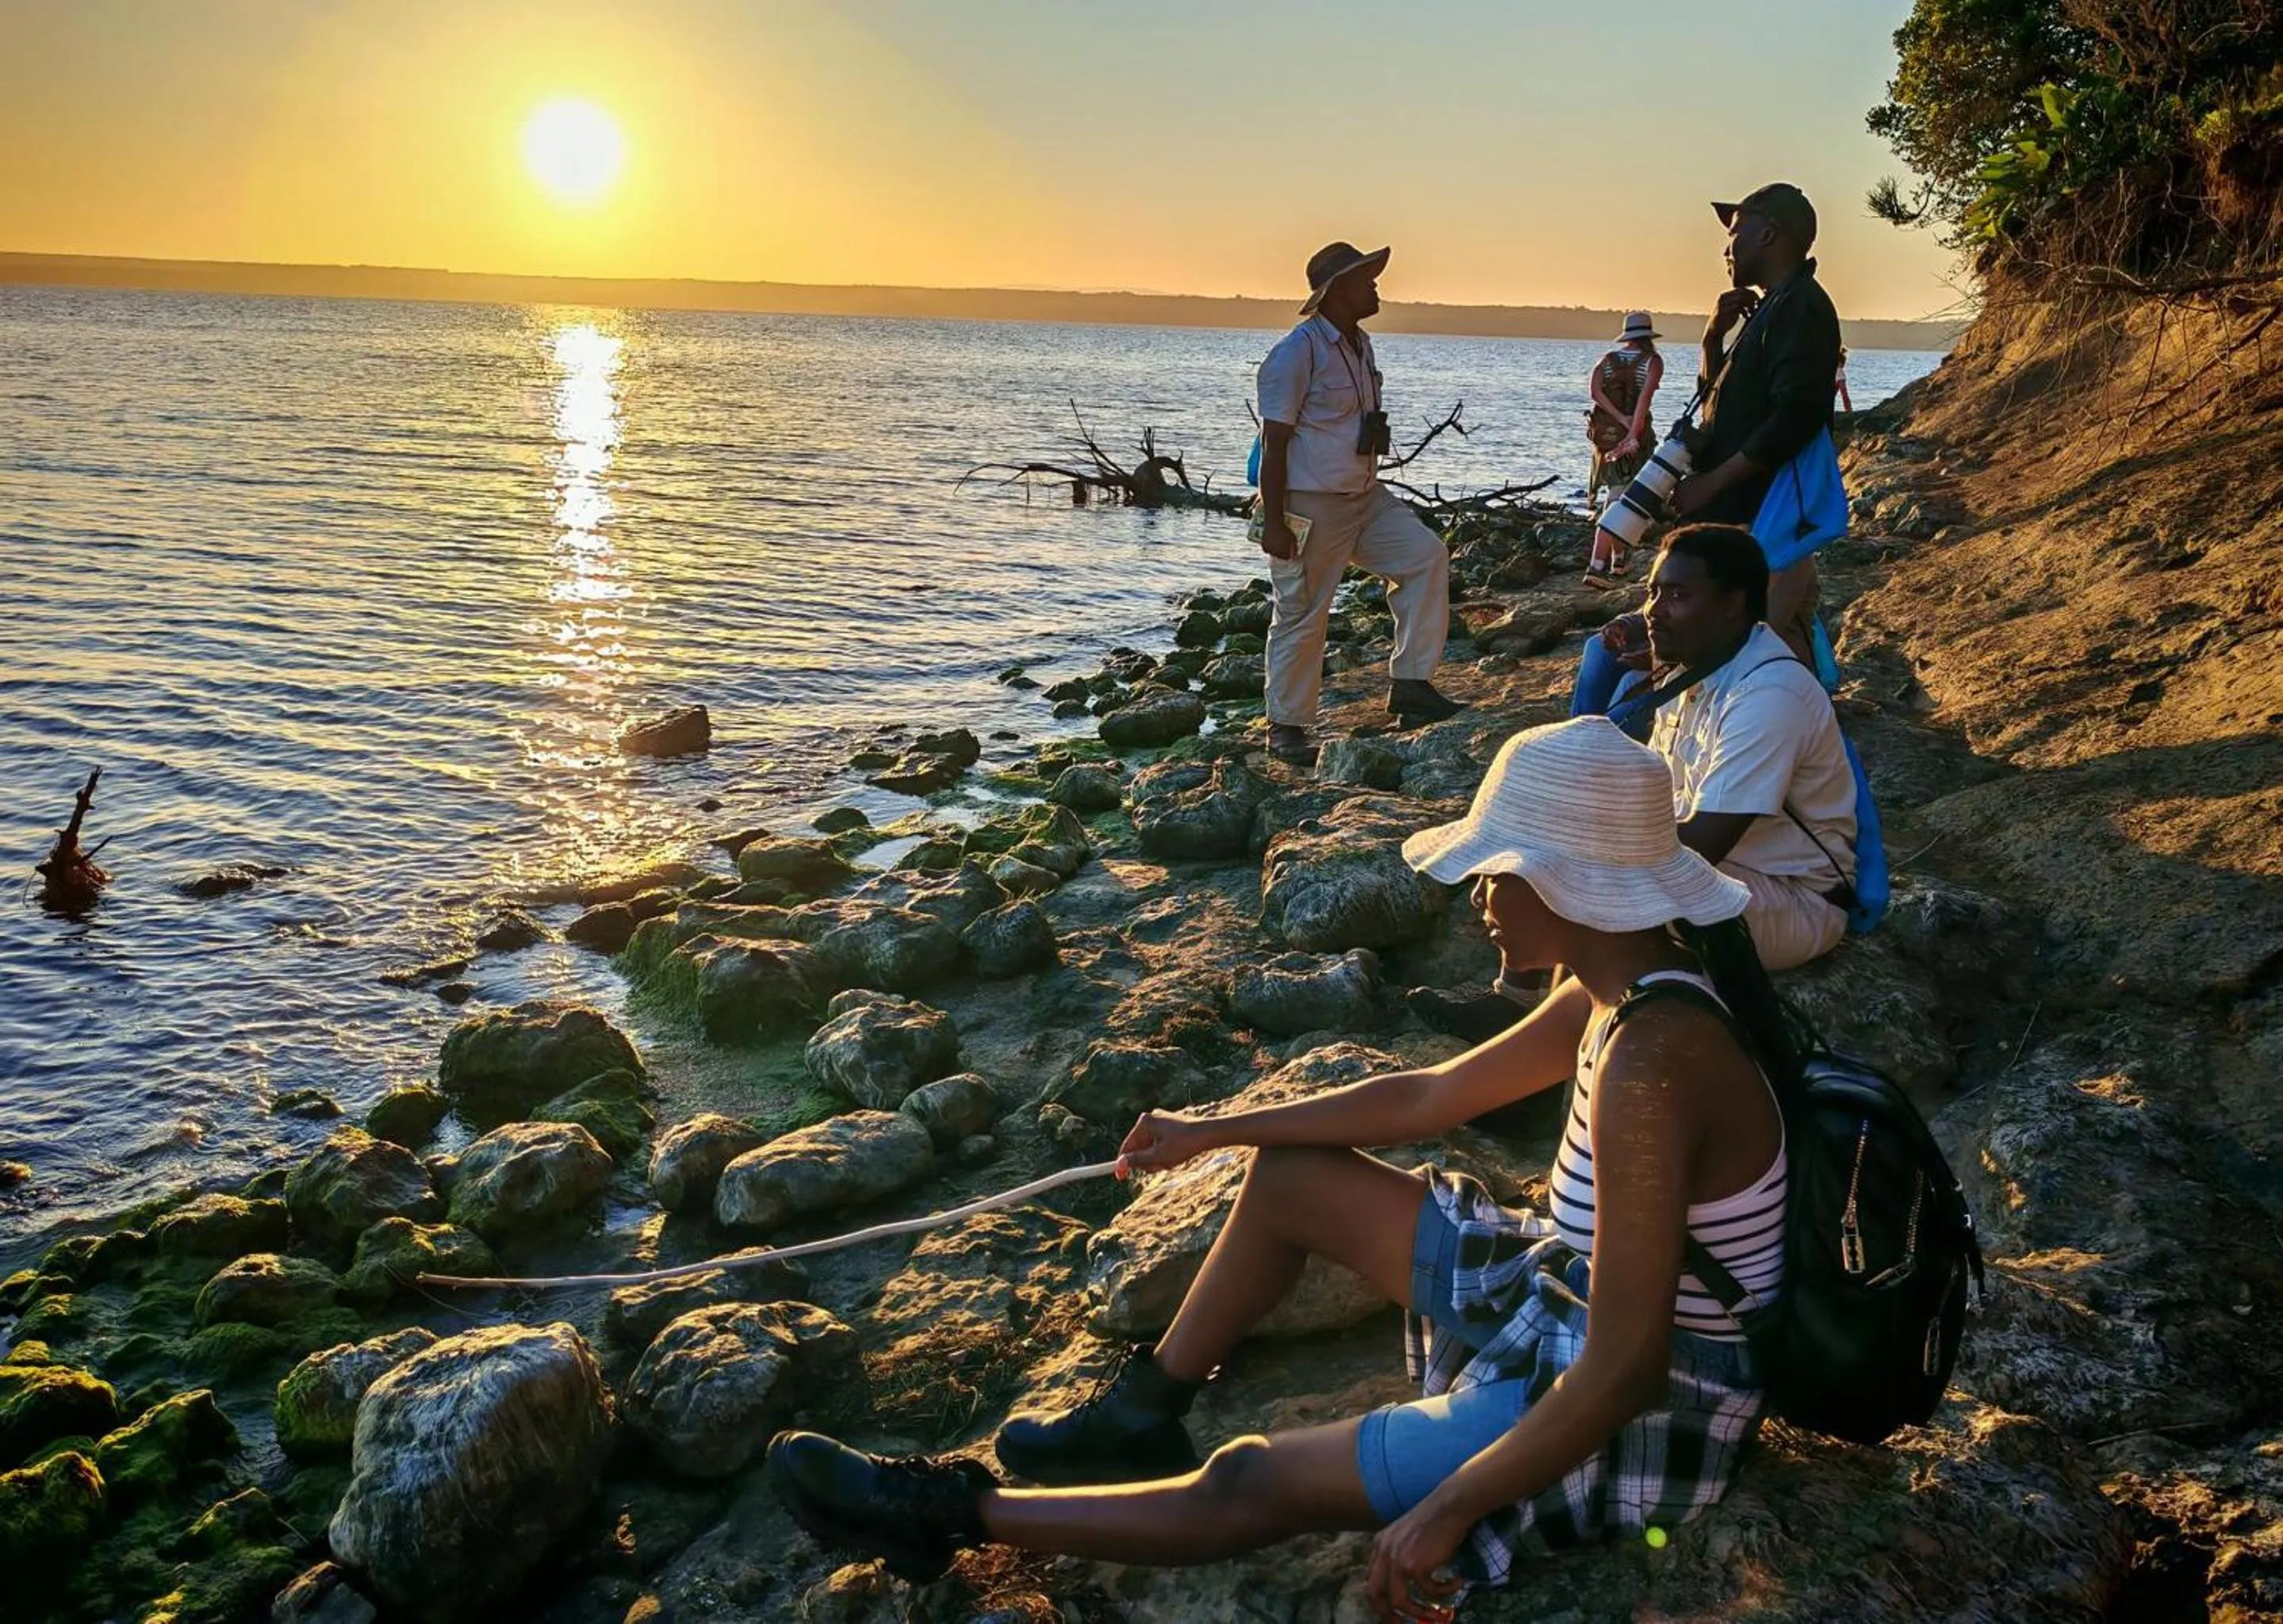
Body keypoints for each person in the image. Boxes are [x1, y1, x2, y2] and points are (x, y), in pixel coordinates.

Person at [765, 717, 1795, 1614]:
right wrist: (1217, 1128)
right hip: (1569, 1301)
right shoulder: (1616, 985)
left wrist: (1443, 1510)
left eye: (1497, 868)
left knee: (1248, 1481)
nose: (1475, 892)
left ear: (1570, 882)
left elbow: (1625, 1369)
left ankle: (947, 1515)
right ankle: (1141, 1412)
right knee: (1291, 1178)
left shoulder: (1654, 1060)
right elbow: (1428, 1098)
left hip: (1642, 1401)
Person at [1412, 523, 1856, 1041]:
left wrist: (1581, 870)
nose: (1654, 609)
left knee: (1597, 900)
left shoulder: (1768, 695)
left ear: (1733, 604)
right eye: (1652, 592)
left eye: (1678, 595)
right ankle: (1516, 1004)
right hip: (1728, 873)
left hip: (1790, 898)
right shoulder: (1694, 669)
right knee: (1550, 850)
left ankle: (1539, 1050)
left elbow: (1704, 846)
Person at [1252, 241, 1465, 768]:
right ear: (1337, 290)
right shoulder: (1295, 353)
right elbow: (1274, 442)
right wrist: (1273, 520)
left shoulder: (1359, 345)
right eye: (1366, 280)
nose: (1375, 287)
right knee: (1302, 613)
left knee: (1424, 557)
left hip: (1364, 498)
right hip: (1312, 503)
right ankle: (1286, 726)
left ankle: (1411, 685)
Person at [1669, 182, 1843, 667]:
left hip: (1770, 524)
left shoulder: (1800, 306)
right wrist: (1711, 341)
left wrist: (1711, 484)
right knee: (1739, 661)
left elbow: (1797, 417)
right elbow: (1721, 409)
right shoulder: (1772, 306)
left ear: (1770, 234)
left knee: (1761, 663)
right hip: (1748, 527)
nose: (1727, 248)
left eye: (1735, 232)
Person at [1583, 312, 1664, 585]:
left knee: (1615, 491)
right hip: (1633, 438)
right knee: (1620, 499)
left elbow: (1595, 393)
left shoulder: (1607, 361)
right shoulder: (1652, 362)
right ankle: (1597, 566)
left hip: (1603, 439)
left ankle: (1620, 562)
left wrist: (1618, 419)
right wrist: (1632, 434)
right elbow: (1643, 402)